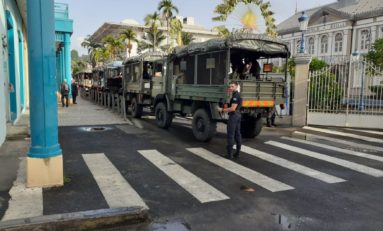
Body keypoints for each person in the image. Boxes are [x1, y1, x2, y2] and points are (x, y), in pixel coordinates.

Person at [217, 81, 242, 159]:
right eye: (230, 86)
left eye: (232, 86)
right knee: (237, 134)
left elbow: (232, 108)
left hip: (233, 116)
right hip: (237, 115)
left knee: (231, 135)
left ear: (236, 86)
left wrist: (222, 110)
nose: (230, 88)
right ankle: (237, 153)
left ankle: (229, 154)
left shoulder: (235, 96)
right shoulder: (236, 94)